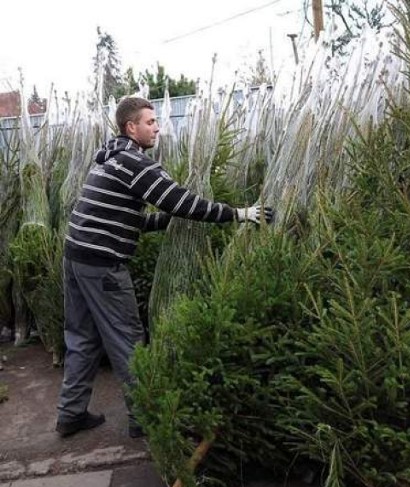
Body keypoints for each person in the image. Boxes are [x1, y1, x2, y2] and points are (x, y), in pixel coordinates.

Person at [56, 96, 273, 438]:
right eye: (150, 122)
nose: (157, 128)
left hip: (76, 256)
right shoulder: (135, 163)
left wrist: (164, 224)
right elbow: (180, 201)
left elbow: (125, 219)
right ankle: (146, 417)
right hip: (103, 266)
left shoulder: (108, 159)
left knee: (82, 337)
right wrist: (237, 213)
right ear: (132, 127)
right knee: (127, 339)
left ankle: (70, 415)